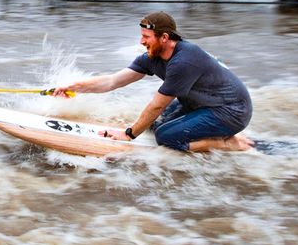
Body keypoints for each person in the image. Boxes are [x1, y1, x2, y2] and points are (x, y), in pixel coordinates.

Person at [53, 12, 254, 152]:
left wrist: (129, 135)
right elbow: (113, 81)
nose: (141, 42)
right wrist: (73, 86)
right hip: (201, 104)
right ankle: (212, 134)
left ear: (164, 37)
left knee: (166, 137)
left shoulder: (184, 61)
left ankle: (226, 143)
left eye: (146, 37)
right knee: (152, 125)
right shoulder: (152, 57)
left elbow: (157, 105)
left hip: (231, 112)